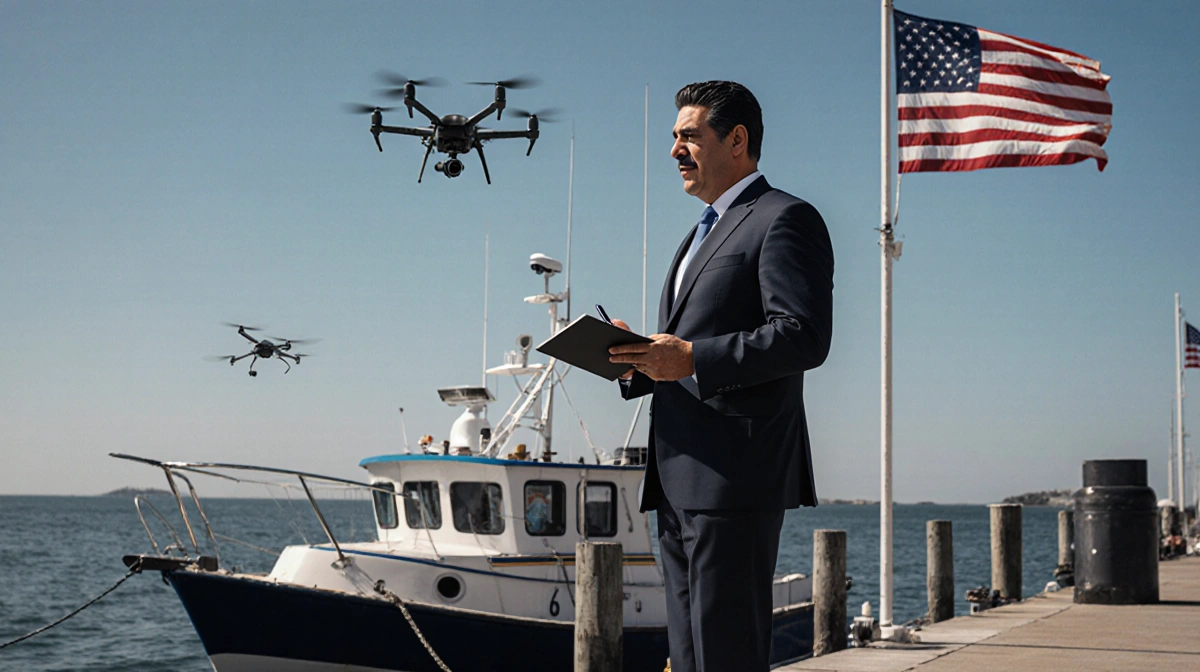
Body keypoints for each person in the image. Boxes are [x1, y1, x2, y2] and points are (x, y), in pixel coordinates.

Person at [608, 80, 834, 672]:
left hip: (735, 477)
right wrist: (639, 358)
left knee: (725, 654)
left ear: (737, 139)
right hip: (678, 477)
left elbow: (804, 336)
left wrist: (691, 359)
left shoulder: (785, 218)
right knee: (688, 656)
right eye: (674, 137)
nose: (676, 150)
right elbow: (685, 346)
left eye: (689, 136)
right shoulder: (697, 233)